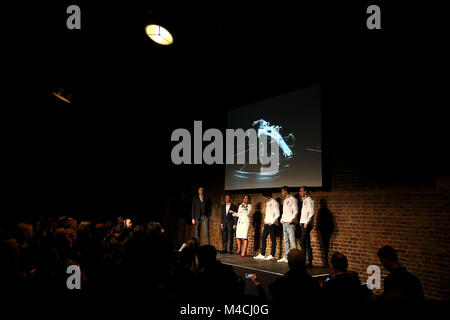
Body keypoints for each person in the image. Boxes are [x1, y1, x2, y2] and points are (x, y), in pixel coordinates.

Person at [254, 192, 280, 261]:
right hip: (267, 224)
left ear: (268, 196)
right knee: (263, 237)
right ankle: (262, 254)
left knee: (273, 239)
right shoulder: (268, 202)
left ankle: (272, 255)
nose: (264, 198)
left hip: (272, 224)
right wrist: (265, 220)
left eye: (265, 197)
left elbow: (277, 214)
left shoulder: (275, 202)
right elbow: (268, 213)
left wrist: (271, 222)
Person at [277, 186, 298, 263]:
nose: (282, 193)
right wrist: (282, 219)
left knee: (292, 240)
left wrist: (290, 220)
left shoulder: (293, 199)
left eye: (282, 191)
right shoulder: (285, 200)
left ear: (286, 191)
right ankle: (286, 257)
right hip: (284, 223)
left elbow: (295, 211)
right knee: (286, 241)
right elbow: (284, 212)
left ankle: (294, 258)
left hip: (290, 223)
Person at [299, 186, 314, 268]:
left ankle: (304, 261)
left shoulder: (309, 200)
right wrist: (301, 222)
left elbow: (311, 212)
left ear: (305, 192)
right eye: (300, 191)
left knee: (302, 242)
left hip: (306, 224)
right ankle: (309, 262)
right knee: (307, 243)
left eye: (301, 191)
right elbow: (304, 213)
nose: (300, 192)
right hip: (303, 223)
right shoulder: (304, 200)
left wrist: (306, 222)